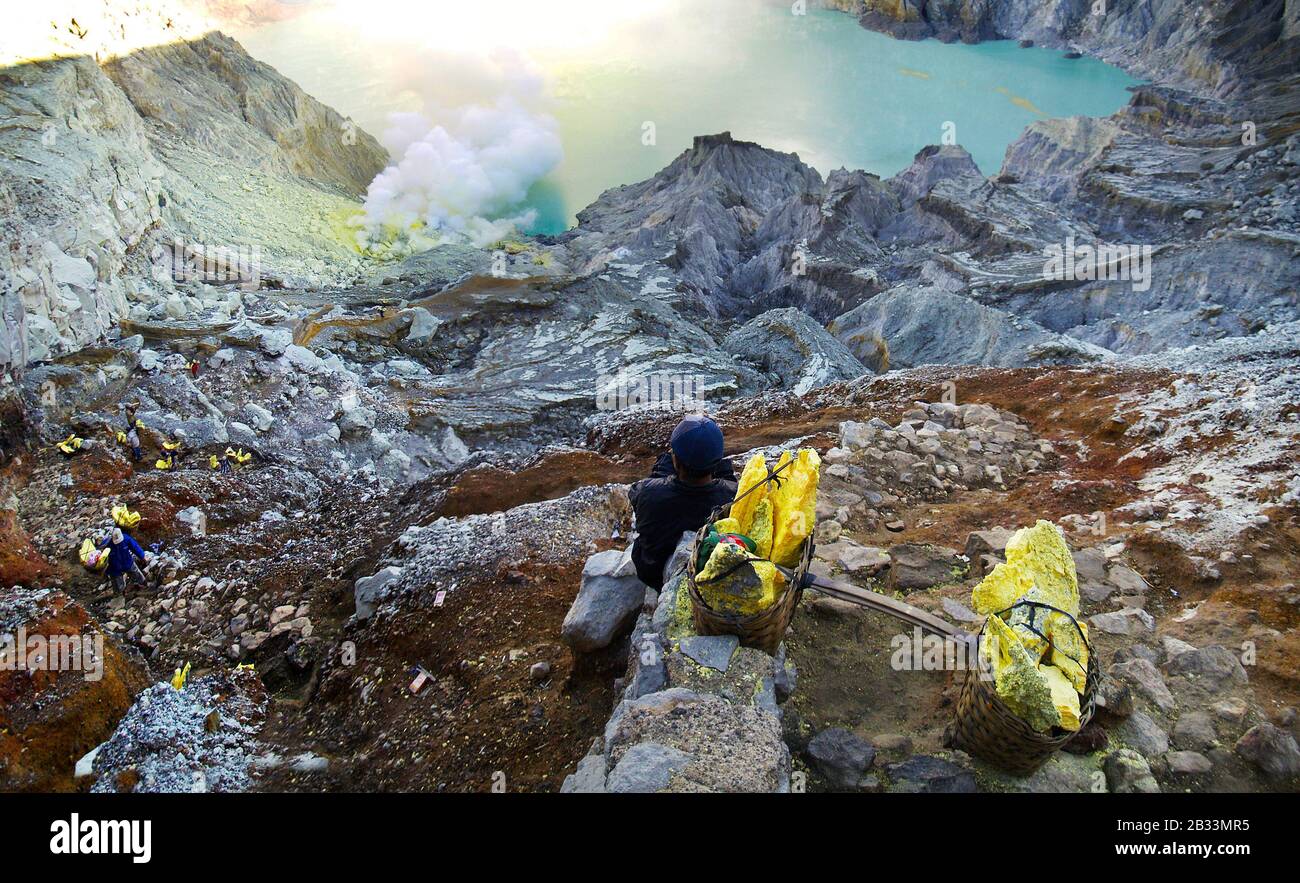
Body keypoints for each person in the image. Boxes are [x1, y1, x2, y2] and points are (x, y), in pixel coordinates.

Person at [629, 414, 736, 589]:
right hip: (707, 575)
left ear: (676, 463)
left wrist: (665, 463)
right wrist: (721, 466)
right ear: (716, 463)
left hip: (653, 574)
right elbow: (727, 484)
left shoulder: (646, 492)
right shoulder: (731, 497)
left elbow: (652, 486)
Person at [100, 527, 148, 595]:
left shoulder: (126, 538)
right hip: (114, 566)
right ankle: (119, 594)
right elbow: (101, 553)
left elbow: (135, 548)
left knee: (136, 573)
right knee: (117, 583)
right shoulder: (107, 543)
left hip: (127, 561)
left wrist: (142, 556)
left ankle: (143, 584)